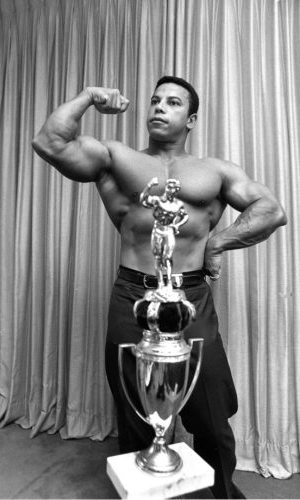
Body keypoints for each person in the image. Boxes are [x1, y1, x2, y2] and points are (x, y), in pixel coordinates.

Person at [32, 75, 287, 498]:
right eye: (154, 100)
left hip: (190, 296)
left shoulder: (215, 170)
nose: (159, 107)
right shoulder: (117, 158)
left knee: (211, 411)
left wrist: (218, 242)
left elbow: (271, 210)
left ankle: (222, 493)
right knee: (135, 411)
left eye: (172, 102)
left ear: (191, 118)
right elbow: (50, 142)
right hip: (133, 295)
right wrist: (87, 98)